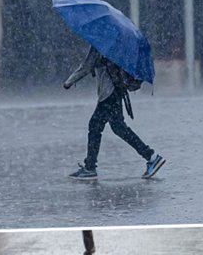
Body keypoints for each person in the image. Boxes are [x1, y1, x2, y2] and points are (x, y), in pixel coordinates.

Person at [65, 47, 165, 180]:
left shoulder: (99, 45)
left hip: (108, 94)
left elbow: (86, 67)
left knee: (95, 126)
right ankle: (151, 157)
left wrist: (68, 82)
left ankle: (90, 167)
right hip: (117, 92)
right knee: (118, 128)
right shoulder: (116, 46)